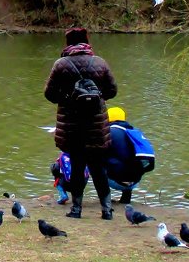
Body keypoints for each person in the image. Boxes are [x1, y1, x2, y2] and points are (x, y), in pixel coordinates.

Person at [43, 27, 118, 219]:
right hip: (96, 126)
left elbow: (49, 94)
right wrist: (97, 98)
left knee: (77, 167)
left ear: (68, 43)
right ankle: (107, 210)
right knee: (99, 168)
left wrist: (68, 99)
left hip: (73, 127)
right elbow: (112, 90)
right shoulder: (100, 63)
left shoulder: (61, 64)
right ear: (86, 41)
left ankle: (76, 210)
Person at [105, 106, 155, 206]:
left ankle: (105, 198)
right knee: (128, 160)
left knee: (93, 161)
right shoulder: (134, 133)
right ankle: (126, 199)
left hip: (114, 181)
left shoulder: (108, 133)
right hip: (135, 182)